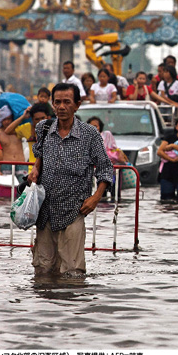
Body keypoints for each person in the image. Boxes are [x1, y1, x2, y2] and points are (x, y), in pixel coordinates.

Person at [28, 83, 114, 277]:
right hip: (45, 210)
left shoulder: (89, 134)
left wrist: (95, 198)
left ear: (77, 105)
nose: (61, 107)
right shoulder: (43, 128)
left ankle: (71, 305)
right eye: (57, 102)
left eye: (67, 102)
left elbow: (105, 169)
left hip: (74, 209)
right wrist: (35, 168)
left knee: (72, 273)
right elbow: (39, 154)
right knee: (42, 270)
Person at [0, 105, 27, 176]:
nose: (7, 121)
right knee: (8, 187)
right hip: (6, 165)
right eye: (4, 119)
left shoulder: (18, 131)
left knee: (24, 187)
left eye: (9, 119)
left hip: (21, 163)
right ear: (1, 120)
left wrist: (23, 116)